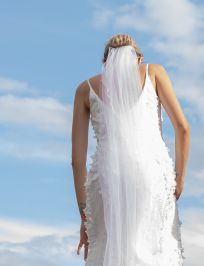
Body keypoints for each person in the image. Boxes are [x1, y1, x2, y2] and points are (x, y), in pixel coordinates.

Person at [71, 34, 190, 266]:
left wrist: (85, 217)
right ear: (138, 59)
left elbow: (77, 161)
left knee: (107, 247)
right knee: (156, 246)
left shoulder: (84, 90)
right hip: (151, 173)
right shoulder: (153, 72)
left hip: (105, 179)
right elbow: (183, 129)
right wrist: (180, 178)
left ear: (105, 62)